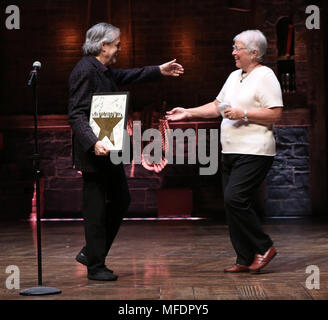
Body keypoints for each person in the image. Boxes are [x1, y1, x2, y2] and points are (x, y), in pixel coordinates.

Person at [68, 22, 184, 281]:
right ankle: (96, 266)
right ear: (103, 45)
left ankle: (91, 253)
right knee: (96, 209)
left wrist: (159, 70)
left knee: (121, 199)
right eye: (117, 44)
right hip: (94, 152)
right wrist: (92, 142)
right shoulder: (84, 70)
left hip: (108, 149)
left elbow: (129, 75)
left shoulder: (103, 70)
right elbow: (75, 113)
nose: (120, 48)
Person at [166, 30, 283, 273]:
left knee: (235, 198)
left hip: (255, 151)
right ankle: (244, 257)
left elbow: (275, 113)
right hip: (231, 150)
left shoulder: (266, 76)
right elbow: (217, 106)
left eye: (237, 48)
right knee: (231, 204)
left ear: (253, 52)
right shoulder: (233, 76)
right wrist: (188, 112)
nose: (233, 52)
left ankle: (264, 247)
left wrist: (245, 114)